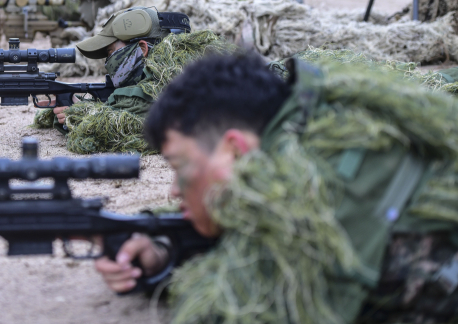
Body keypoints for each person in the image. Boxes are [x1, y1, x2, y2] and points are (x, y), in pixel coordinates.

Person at [95, 52, 458, 323]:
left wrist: (172, 264)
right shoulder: (314, 130)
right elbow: (245, 225)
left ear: (235, 149)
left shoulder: (320, 187)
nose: (174, 191)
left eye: (180, 166)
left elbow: (236, 304)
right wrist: (160, 245)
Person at [34, 6, 191, 131]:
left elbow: (135, 124)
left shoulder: (175, 84)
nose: (108, 62)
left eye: (110, 52)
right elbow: (120, 105)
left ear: (142, 49)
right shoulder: (157, 78)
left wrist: (83, 115)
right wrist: (74, 104)